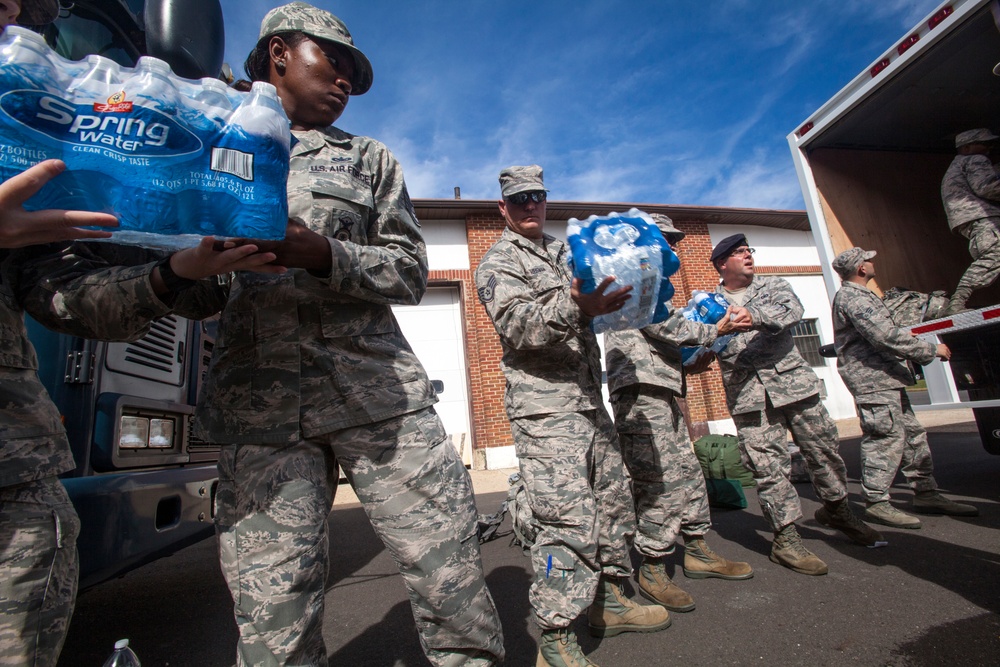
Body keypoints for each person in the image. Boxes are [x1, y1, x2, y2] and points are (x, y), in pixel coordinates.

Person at [201, 4, 504, 666]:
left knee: (448, 570)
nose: (344, 81)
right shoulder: (215, 146)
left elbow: (410, 270)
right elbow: (194, 293)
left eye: (352, 73)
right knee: (272, 608)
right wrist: (196, 263)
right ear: (279, 52)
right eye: (332, 60)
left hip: (378, 398)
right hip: (263, 411)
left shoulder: (368, 160)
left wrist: (325, 255)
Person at [0, 6, 279, 664]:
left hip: (14, 481)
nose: (13, 13)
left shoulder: (25, 135)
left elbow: (64, 298)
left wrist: (174, 272)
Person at [475, 165, 669, 667]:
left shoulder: (565, 251)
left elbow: (599, 303)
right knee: (565, 519)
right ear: (503, 208)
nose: (529, 206)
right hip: (544, 409)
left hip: (588, 400)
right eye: (518, 200)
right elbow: (519, 327)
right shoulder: (497, 261)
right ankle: (557, 632)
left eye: (536, 197)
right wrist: (576, 305)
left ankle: (606, 601)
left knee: (612, 502)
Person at [709, 233, 885, 577]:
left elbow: (793, 311)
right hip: (748, 396)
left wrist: (752, 313)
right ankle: (785, 538)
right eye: (739, 252)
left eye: (749, 250)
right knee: (768, 467)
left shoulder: (772, 285)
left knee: (824, 452)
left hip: (795, 387)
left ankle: (837, 510)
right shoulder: (709, 303)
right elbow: (702, 343)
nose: (748, 255)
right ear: (722, 263)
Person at [603, 214, 754, 614]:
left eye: (674, 242)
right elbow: (662, 326)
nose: (672, 249)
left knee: (686, 472)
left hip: (664, 387)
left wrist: (697, 356)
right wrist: (714, 331)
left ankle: (698, 549)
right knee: (658, 480)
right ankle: (653, 567)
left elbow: (666, 343)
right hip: (640, 394)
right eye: (665, 241)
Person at [831, 247, 978, 527]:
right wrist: (930, 350)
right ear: (861, 268)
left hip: (887, 377)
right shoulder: (853, 297)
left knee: (912, 436)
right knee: (884, 438)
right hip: (872, 380)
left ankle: (926, 492)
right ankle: (876, 501)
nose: (873, 263)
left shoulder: (862, 296)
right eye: (869, 260)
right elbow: (885, 336)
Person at [940, 128, 1000, 315]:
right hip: (981, 216)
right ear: (966, 147)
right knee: (995, 255)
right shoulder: (975, 159)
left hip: (968, 218)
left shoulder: (958, 164)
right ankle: (957, 303)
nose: (989, 148)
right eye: (984, 143)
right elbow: (986, 187)